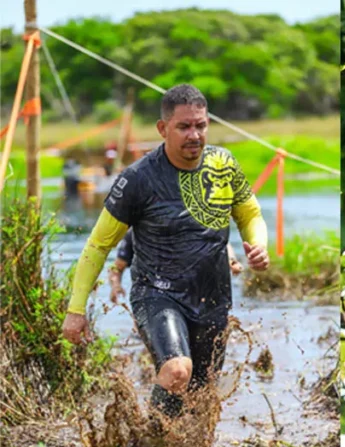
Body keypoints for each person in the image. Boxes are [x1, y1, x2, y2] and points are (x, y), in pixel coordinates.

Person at [62, 83, 270, 419]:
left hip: (213, 295)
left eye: (200, 125)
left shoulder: (223, 163)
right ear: (163, 129)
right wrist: (76, 309)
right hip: (157, 294)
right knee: (177, 371)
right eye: (184, 126)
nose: (194, 135)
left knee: (203, 397)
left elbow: (249, 214)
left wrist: (258, 246)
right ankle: (153, 443)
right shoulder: (137, 179)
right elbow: (98, 244)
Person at [109, 229, 244, 304]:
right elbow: (117, 267)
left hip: (194, 292)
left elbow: (220, 241)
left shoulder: (189, 220)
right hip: (155, 297)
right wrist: (115, 286)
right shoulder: (134, 234)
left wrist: (231, 261)